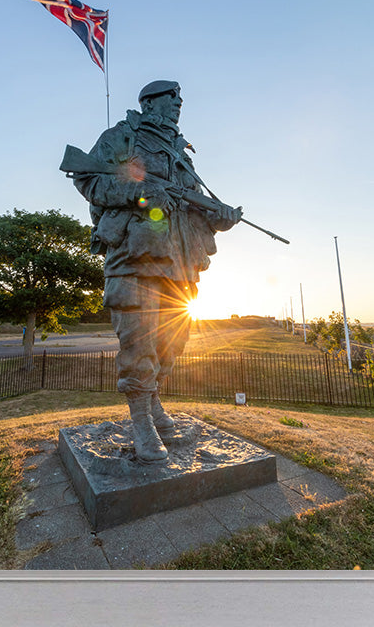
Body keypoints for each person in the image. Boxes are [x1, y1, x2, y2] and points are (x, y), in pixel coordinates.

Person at [74, 80, 242, 462]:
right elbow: (89, 179)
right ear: (150, 104)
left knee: (172, 343)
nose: (178, 104)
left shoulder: (180, 152)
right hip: (134, 260)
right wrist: (139, 193)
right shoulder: (123, 137)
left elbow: (191, 204)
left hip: (180, 265)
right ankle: (141, 422)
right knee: (139, 343)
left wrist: (220, 218)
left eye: (180, 100)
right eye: (171, 100)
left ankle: (154, 406)